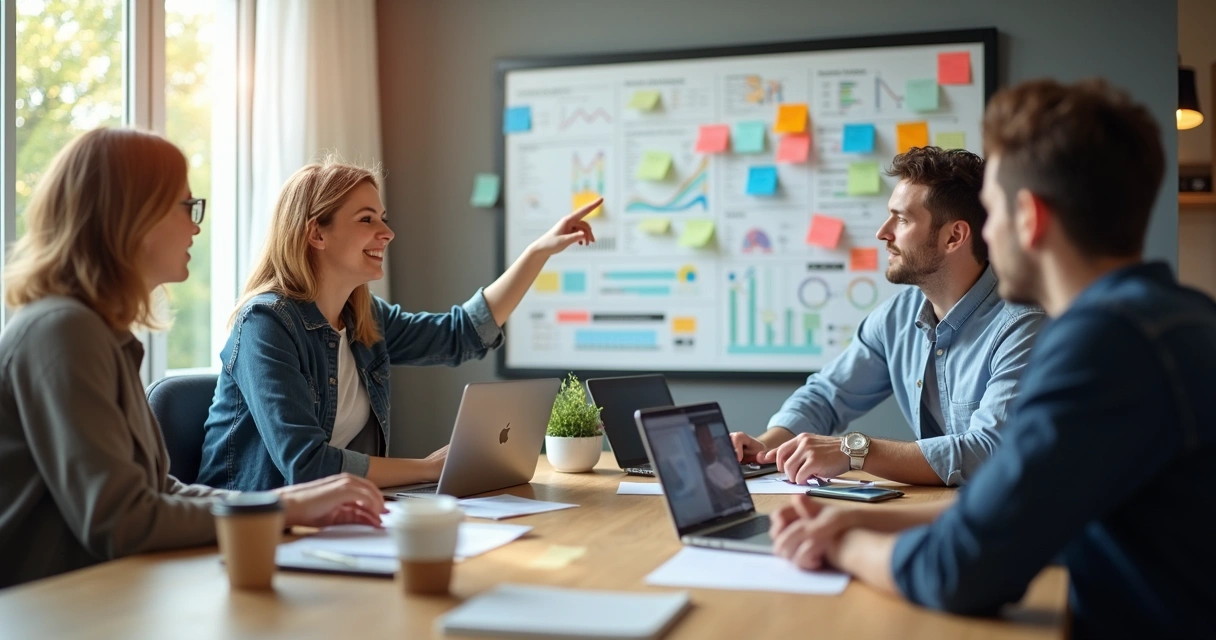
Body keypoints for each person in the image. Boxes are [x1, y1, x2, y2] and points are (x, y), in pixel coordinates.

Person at [769, 79, 1216, 638]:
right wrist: (857, 515)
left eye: (994, 209)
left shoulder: (1106, 345)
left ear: (1028, 217)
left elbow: (962, 570)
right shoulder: (1170, 319)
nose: (989, 229)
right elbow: (1014, 503)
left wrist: (842, 543)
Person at [0, 128, 388, 589]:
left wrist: (287, 504)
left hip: (99, 597)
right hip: (53, 611)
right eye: (187, 207)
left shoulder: (99, 333)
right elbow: (122, 521)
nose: (195, 225)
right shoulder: (63, 332)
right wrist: (289, 506)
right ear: (132, 216)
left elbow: (158, 493)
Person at [197, 159, 597, 491]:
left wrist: (538, 252)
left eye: (382, 218)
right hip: (252, 533)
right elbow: (307, 465)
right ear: (316, 233)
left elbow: (460, 335)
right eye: (367, 219)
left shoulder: (364, 320)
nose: (386, 233)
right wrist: (426, 469)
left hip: (327, 518)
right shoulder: (265, 324)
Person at [731, 147, 1045, 486]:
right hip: (947, 513)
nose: (883, 232)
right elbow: (826, 396)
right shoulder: (897, 316)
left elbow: (988, 452)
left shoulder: (1023, 325)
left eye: (903, 220)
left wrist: (856, 451)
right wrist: (766, 446)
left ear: (953, 237)